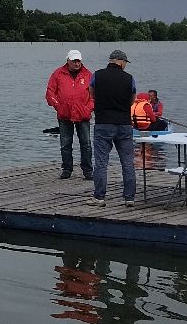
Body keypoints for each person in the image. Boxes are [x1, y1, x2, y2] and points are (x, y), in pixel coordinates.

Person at [87, 50, 136, 207]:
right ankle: (129, 198)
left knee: (101, 162)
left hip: (103, 123)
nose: (125, 65)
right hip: (124, 124)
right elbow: (132, 99)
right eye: (125, 63)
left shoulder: (97, 75)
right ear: (121, 61)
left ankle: (99, 197)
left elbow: (92, 93)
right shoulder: (129, 78)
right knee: (127, 162)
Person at [45, 50, 93, 180]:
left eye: (78, 61)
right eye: (74, 61)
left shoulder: (88, 75)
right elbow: (50, 92)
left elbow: (95, 95)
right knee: (65, 144)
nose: (77, 63)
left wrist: (88, 108)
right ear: (68, 61)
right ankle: (67, 169)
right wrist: (58, 106)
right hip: (64, 114)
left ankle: (88, 171)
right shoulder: (58, 74)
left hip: (82, 114)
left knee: (86, 144)